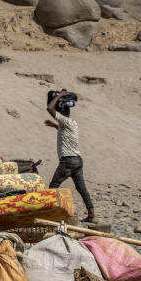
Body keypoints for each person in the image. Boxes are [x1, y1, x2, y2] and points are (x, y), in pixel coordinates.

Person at [44, 89, 96, 222]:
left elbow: (49, 108)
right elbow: (64, 133)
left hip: (68, 160)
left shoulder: (65, 121)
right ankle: (91, 214)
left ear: (62, 113)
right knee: (81, 188)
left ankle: (51, 214)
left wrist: (60, 96)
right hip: (77, 160)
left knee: (54, 185)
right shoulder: (71, 123)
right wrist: (54, 125)